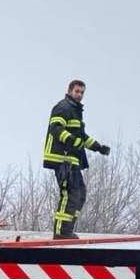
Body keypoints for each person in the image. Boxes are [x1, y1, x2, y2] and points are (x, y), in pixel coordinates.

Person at [41, 79, 110, 239]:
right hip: (62, 159)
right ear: (70, 91)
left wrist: (99, 147)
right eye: (77, 91)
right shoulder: (63, 107)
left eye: (82, 92)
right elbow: (55, 128)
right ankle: (61, 233)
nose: (79, 95)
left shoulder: (76, 112)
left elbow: (82, 137)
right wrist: (72, 141)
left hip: (72, 160)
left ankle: (67, 229)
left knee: (80, 193)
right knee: (69, 194)